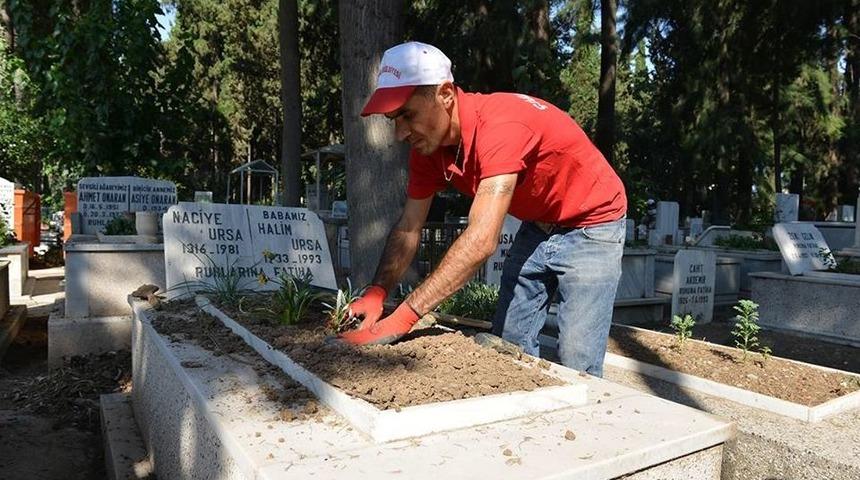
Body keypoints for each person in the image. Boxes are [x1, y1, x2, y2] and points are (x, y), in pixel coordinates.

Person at [339, 41, 627, 377]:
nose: (400, 133)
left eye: (407, 114)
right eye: (393, 119)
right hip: (540, 223)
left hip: (594, 223)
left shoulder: (502, 127)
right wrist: (377, 291)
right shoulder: (428, 149)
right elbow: (408, 227)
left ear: (445, 95)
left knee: (578, 357)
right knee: (510, 342)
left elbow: (481, 240)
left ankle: (583, 426)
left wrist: (403, 317)